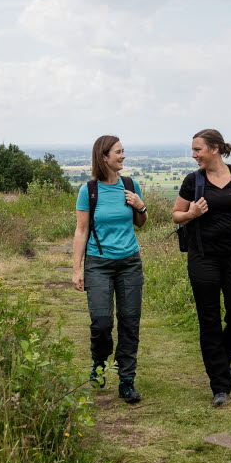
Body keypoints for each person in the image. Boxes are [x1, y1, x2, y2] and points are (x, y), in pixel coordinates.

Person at [171, 128, 231, 406]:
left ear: (215, 149)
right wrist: (192, 213)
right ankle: (219, 386)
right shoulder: (193, 180)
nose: (194, 155)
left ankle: (222, 360)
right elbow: (176, 215)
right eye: (193, 150)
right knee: (208, 320)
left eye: (198, 149)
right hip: (203, 257)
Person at [71, 135, 148, 403]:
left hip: (129, 263)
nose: (123, 156)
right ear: (104, 157)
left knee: (129, 322)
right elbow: (81, 231)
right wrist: (77, 269)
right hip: (98, 263)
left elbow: (141, 222)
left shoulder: (131, 185)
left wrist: (141, 207)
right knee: (102, 322)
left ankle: (127, 381)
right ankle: (99, 361)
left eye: (123, 151)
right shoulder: (89, 190)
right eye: (118, 152)